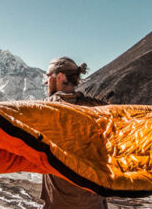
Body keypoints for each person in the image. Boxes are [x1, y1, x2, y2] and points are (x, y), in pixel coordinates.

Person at [40, 56, 108, 209]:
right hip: (94, 200)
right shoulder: (98, 108)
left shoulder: (45, 108)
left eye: (48, 75)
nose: (46, 81)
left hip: (60, 202)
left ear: (60, 76)